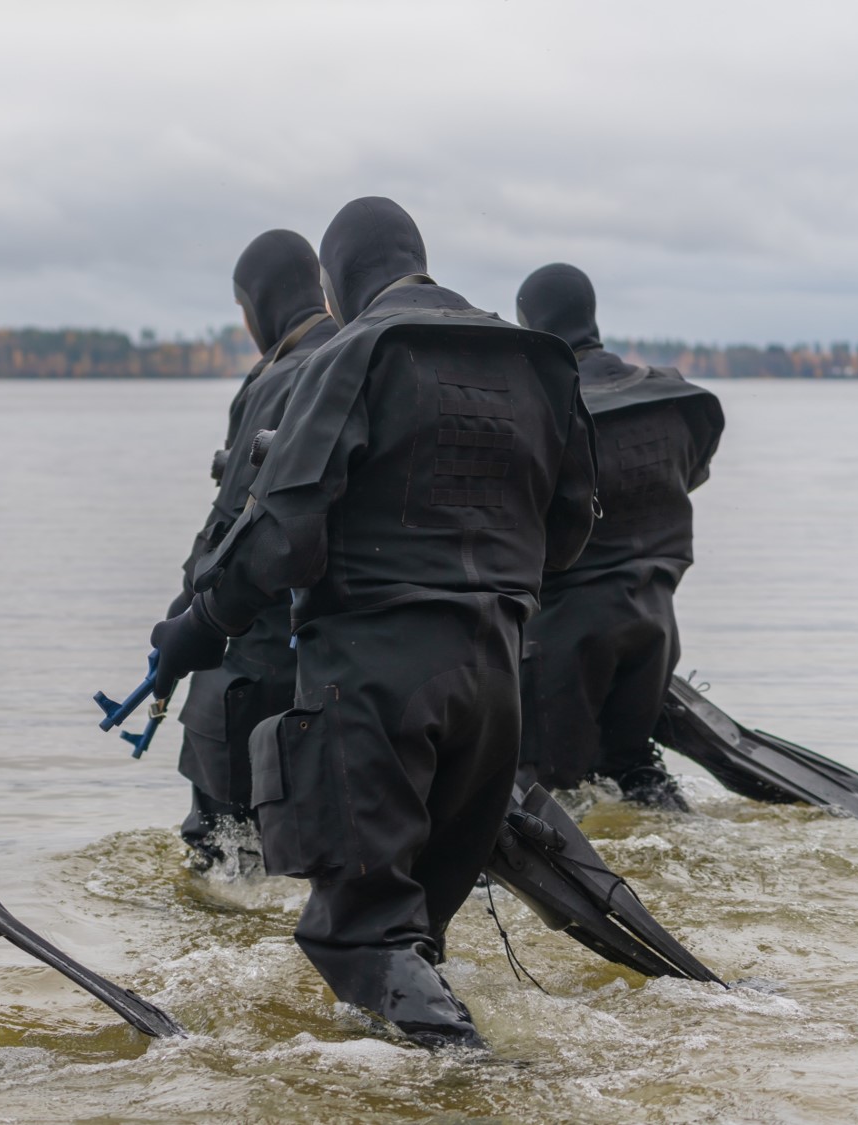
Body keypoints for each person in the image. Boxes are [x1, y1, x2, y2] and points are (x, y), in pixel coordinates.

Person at [148, 197, 597, 1049]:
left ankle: (480, 1085)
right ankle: (435, 1076)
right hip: (496, 682)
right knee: (415, 928)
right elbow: (570, 532)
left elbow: (281, 531)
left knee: (360, 933)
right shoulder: (536, 362)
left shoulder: (357, 353)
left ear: (336, 278)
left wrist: (202, 620)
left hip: (376, 680)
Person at [514, 264, 724, 808]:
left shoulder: (542, 412)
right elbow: (691, 476)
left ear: (532, 329)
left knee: (546, 802)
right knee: (634, 773)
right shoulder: (675, 402)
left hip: (562, 648)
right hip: (654, 633)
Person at [166, 230, 336, 870]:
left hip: (250, 657)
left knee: (223, 857)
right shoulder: (356, 360)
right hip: (338, 665)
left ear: (259, 302)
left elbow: (230, 525)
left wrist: (182, 618)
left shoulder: (277, 378)